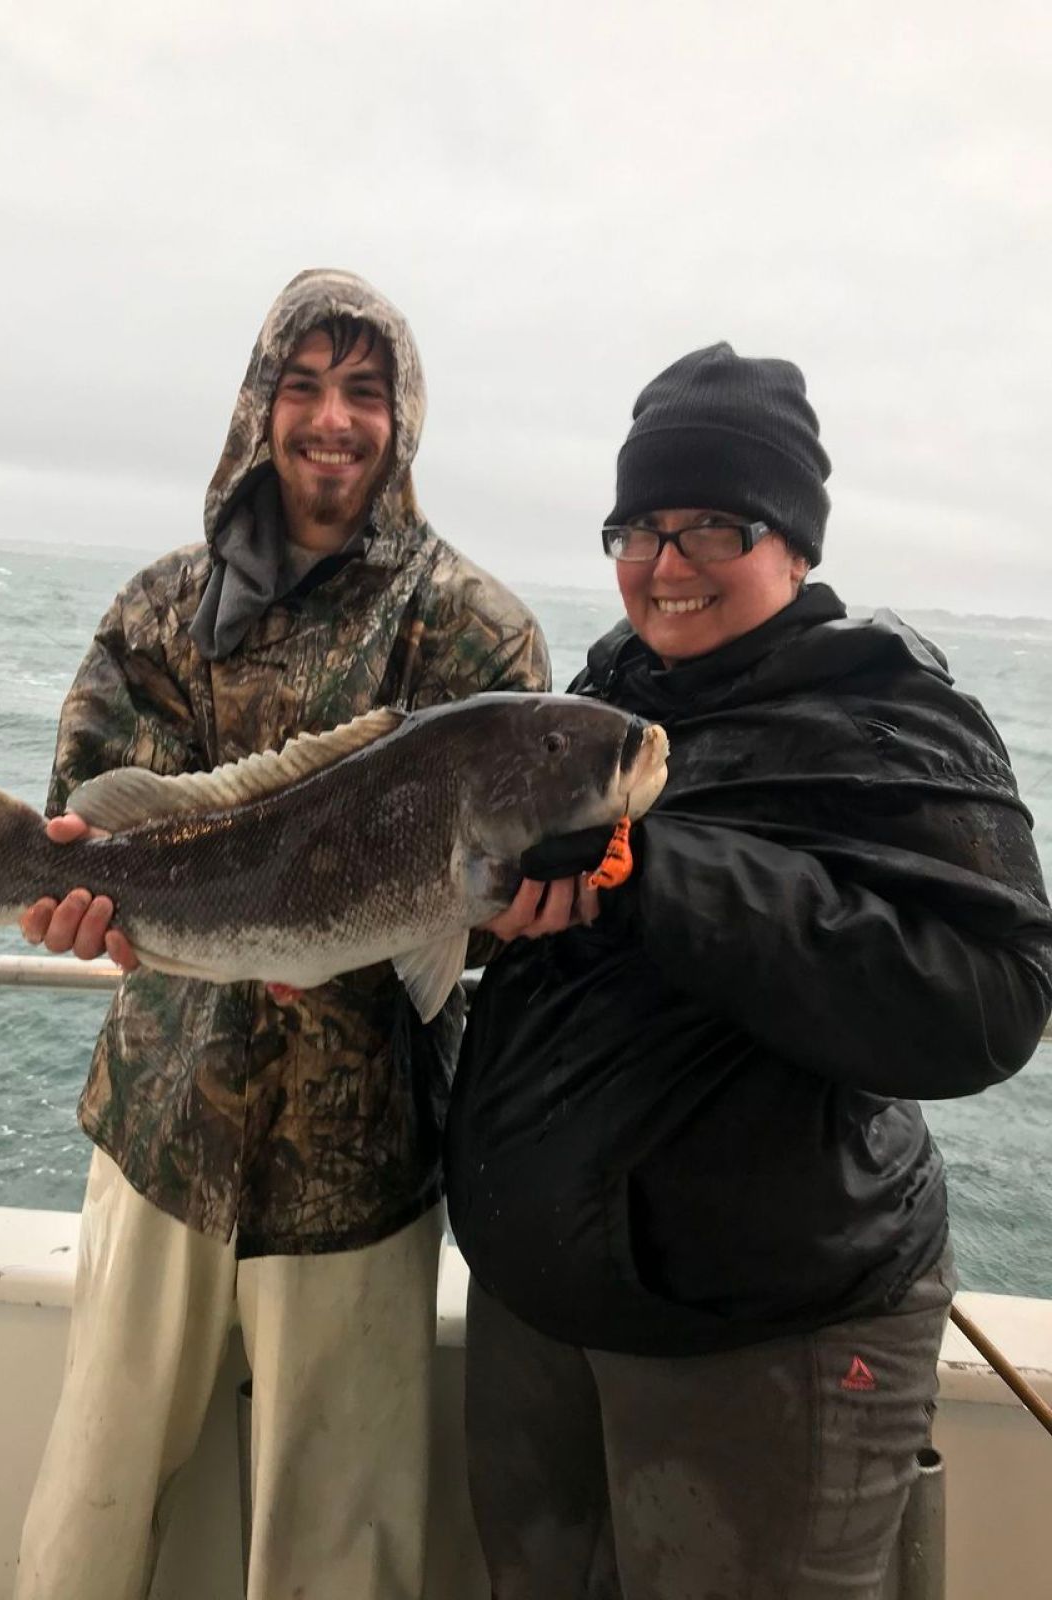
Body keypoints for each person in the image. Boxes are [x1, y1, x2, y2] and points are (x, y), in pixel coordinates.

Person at [446, 342, 1052, 1600]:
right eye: (639, 529)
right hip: (540, 1311)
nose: (666, 564)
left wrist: (658, 870)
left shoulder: (891, 719)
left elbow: (994, 997)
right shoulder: (605, 699)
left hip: (765, 1335)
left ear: (797, 543)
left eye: (713, 526)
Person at [13, 268, 550, 1600]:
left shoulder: (477, 634)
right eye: (302, 385)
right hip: (161, 1135)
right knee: (88, 1509)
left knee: (338, 1556)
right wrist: (77, 900)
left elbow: (495, 912)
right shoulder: (160, 608)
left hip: (357, 1171)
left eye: (365, 391)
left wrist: (511, 918)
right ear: (259, 405)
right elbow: (89, 806)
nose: (332, 419)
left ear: (402, 418)